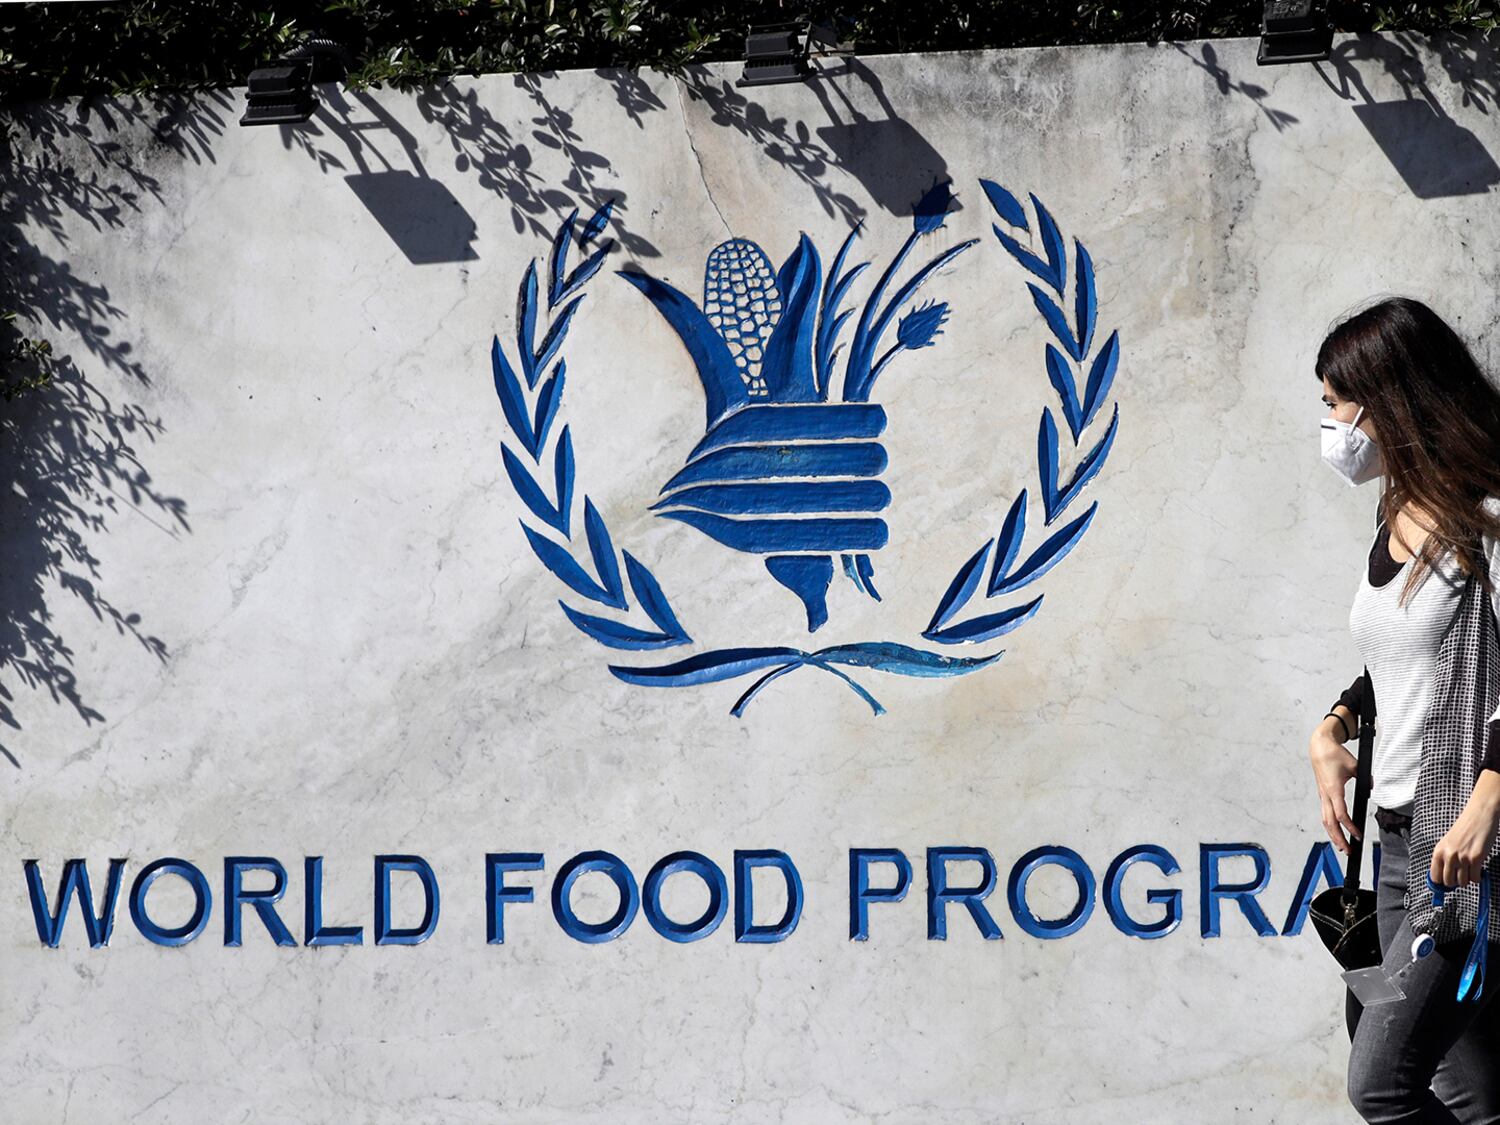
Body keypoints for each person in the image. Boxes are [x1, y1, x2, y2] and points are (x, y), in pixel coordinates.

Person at [1308, 295, 1500, 1123]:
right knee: (1474, 1089)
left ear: (1389, 400)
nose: (1331, 428)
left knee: (1381, 1082)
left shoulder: (1488, 518)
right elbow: (1396, 661)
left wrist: (1488, 802)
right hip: (1395, 843)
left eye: (1335, 404)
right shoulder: (1395, 513)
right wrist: (1334, 726)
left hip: (1466, 850)